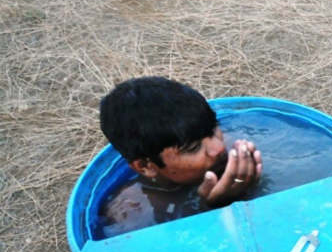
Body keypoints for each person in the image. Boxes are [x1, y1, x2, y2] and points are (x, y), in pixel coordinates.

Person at [97, 76, 263, 237]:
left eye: (213, 130)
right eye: (193, 148)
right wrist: (215, 208)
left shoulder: (235, 146)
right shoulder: (132, 212)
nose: (219, 148)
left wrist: (250, 184)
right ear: (145, 166)